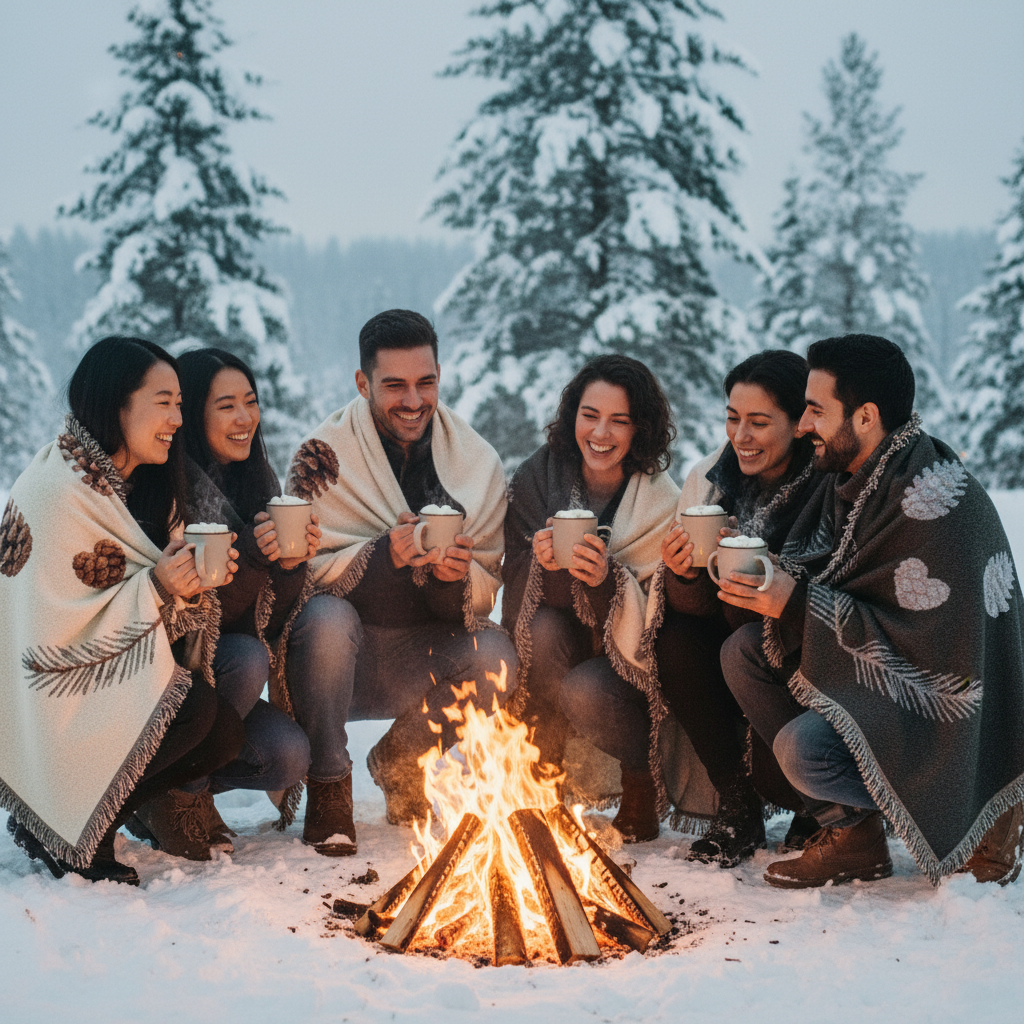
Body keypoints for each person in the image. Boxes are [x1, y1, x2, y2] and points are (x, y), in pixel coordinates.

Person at [720, 334, 1024, 887]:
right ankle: (854, 839)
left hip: (948, 718)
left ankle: (987, 809)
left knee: (803, 753)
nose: (804, 424)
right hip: (879, 679)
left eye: (815, 410)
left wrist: (797, 599)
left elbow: (937, 648)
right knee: (745, 653)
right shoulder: (843, 478)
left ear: (864, 417)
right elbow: (835, 575)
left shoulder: (936, 500)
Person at [0, 336, 244, 885]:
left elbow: (157, 597)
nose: (178, 418)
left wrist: (195, 586)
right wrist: (157, 586)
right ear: (118, 404)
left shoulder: (151, 485)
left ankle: (90, 815)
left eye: (181, 403)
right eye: (164, 401)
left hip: (113, 677)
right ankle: (70, 832)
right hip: (51, 700)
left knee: (220, 732)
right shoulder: (53, 491)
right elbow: (51, 627)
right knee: (194, 713)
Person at [273, 309, 517, 848]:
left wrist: (452, 578)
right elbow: (302, 579)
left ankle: (402, 759)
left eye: (425, 382)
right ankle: (330, 783)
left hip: (421, 656)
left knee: (498, 655)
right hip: (336, 662)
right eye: (395, 386)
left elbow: (486, 583)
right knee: (327, 618)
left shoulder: (475, 461)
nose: (413, 400)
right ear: (363, 384)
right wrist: (386, 557)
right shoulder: (324, 456)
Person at [124, 347, 315, 860]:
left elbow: (267, 620)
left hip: (224, 683)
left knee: (287, 755)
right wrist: (251, 556)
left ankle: (190, 789)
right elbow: (203, 623)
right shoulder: (161, 490)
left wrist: (291, 566)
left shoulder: (259, 482)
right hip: (163, 689)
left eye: (250, 402)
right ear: (191, 416)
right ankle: (175, 794)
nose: (244, 417)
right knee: (245, 658)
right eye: (225, 405)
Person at [503, 354, 689, 843]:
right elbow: (512, 577)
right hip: (555, 646)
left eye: (619, 421)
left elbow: (662, 620)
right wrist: (539, 565)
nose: (601, 433)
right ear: (572, 417)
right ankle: (540, 783)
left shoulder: (660, 501)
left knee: (586, 687)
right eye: (590, 416)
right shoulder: (536, 478)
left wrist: (607, 580)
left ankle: (640, 786)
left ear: (640, 429)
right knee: (539, 632)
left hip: (625, 668)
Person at [657, 351, 822, 866]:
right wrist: (683, 571)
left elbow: (832, 602)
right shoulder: (712, 479)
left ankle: (817, 808)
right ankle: (736, 802)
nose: (740, 437)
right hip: (732, 660)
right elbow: (694, 611)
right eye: (732, 418)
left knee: (745, 639)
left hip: (806, 675)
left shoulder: (826, 486)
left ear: (798, 424)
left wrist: (770, 580)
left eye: (758, 422)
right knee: (675, 639)